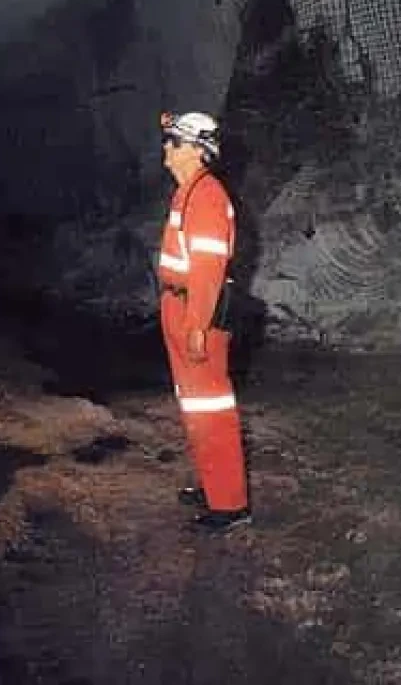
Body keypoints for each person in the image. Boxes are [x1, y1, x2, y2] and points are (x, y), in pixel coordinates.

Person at [157, 111, 251, 533]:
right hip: (181, 308)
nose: (167, 149)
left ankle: (230, 505)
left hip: (199, 312)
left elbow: (208, 269)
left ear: (197, 150)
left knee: (211, 408)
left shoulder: (207, 196)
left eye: (175, 143)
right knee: (195, 404)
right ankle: (215, 485)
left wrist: (197, 324)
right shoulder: (189, 192)